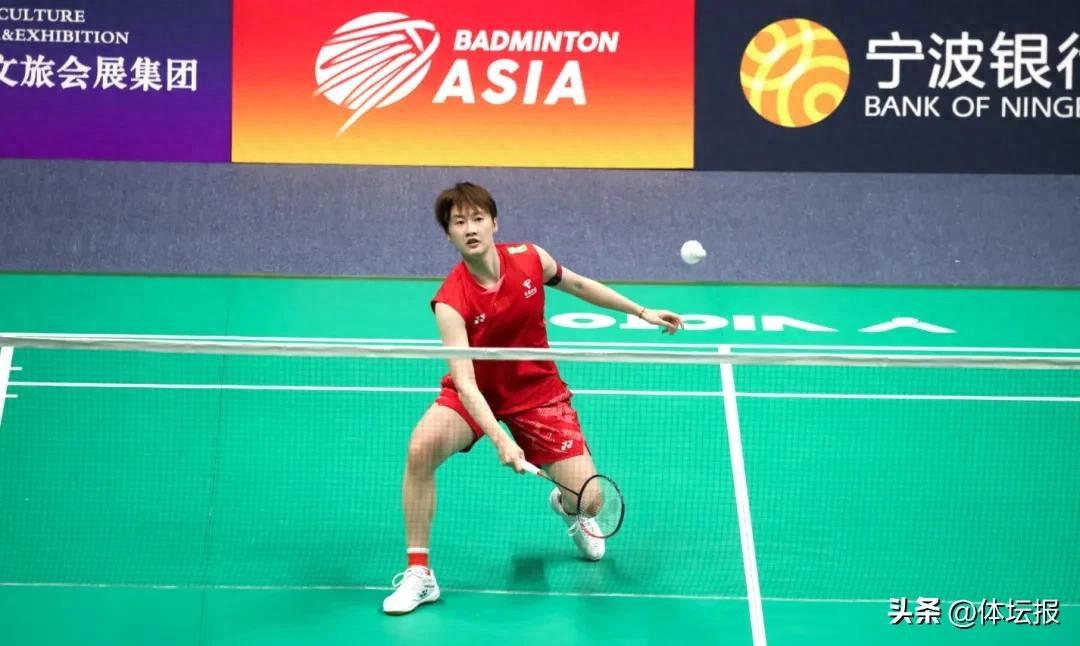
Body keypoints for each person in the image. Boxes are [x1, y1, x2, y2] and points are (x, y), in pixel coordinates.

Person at [382, 182, 683, 615]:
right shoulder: (450, 301)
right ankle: (419, 574)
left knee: (589, 500)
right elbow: (465, 383)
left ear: (495, 223)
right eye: (459, 222)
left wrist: (640, 312)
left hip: (536, 392)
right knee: (420, 449)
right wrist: (501, 440)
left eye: (478, 218)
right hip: (478, 392)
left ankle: (568, 508)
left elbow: (578, 284)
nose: (470, 229)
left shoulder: (529, 258)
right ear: (448, 235)